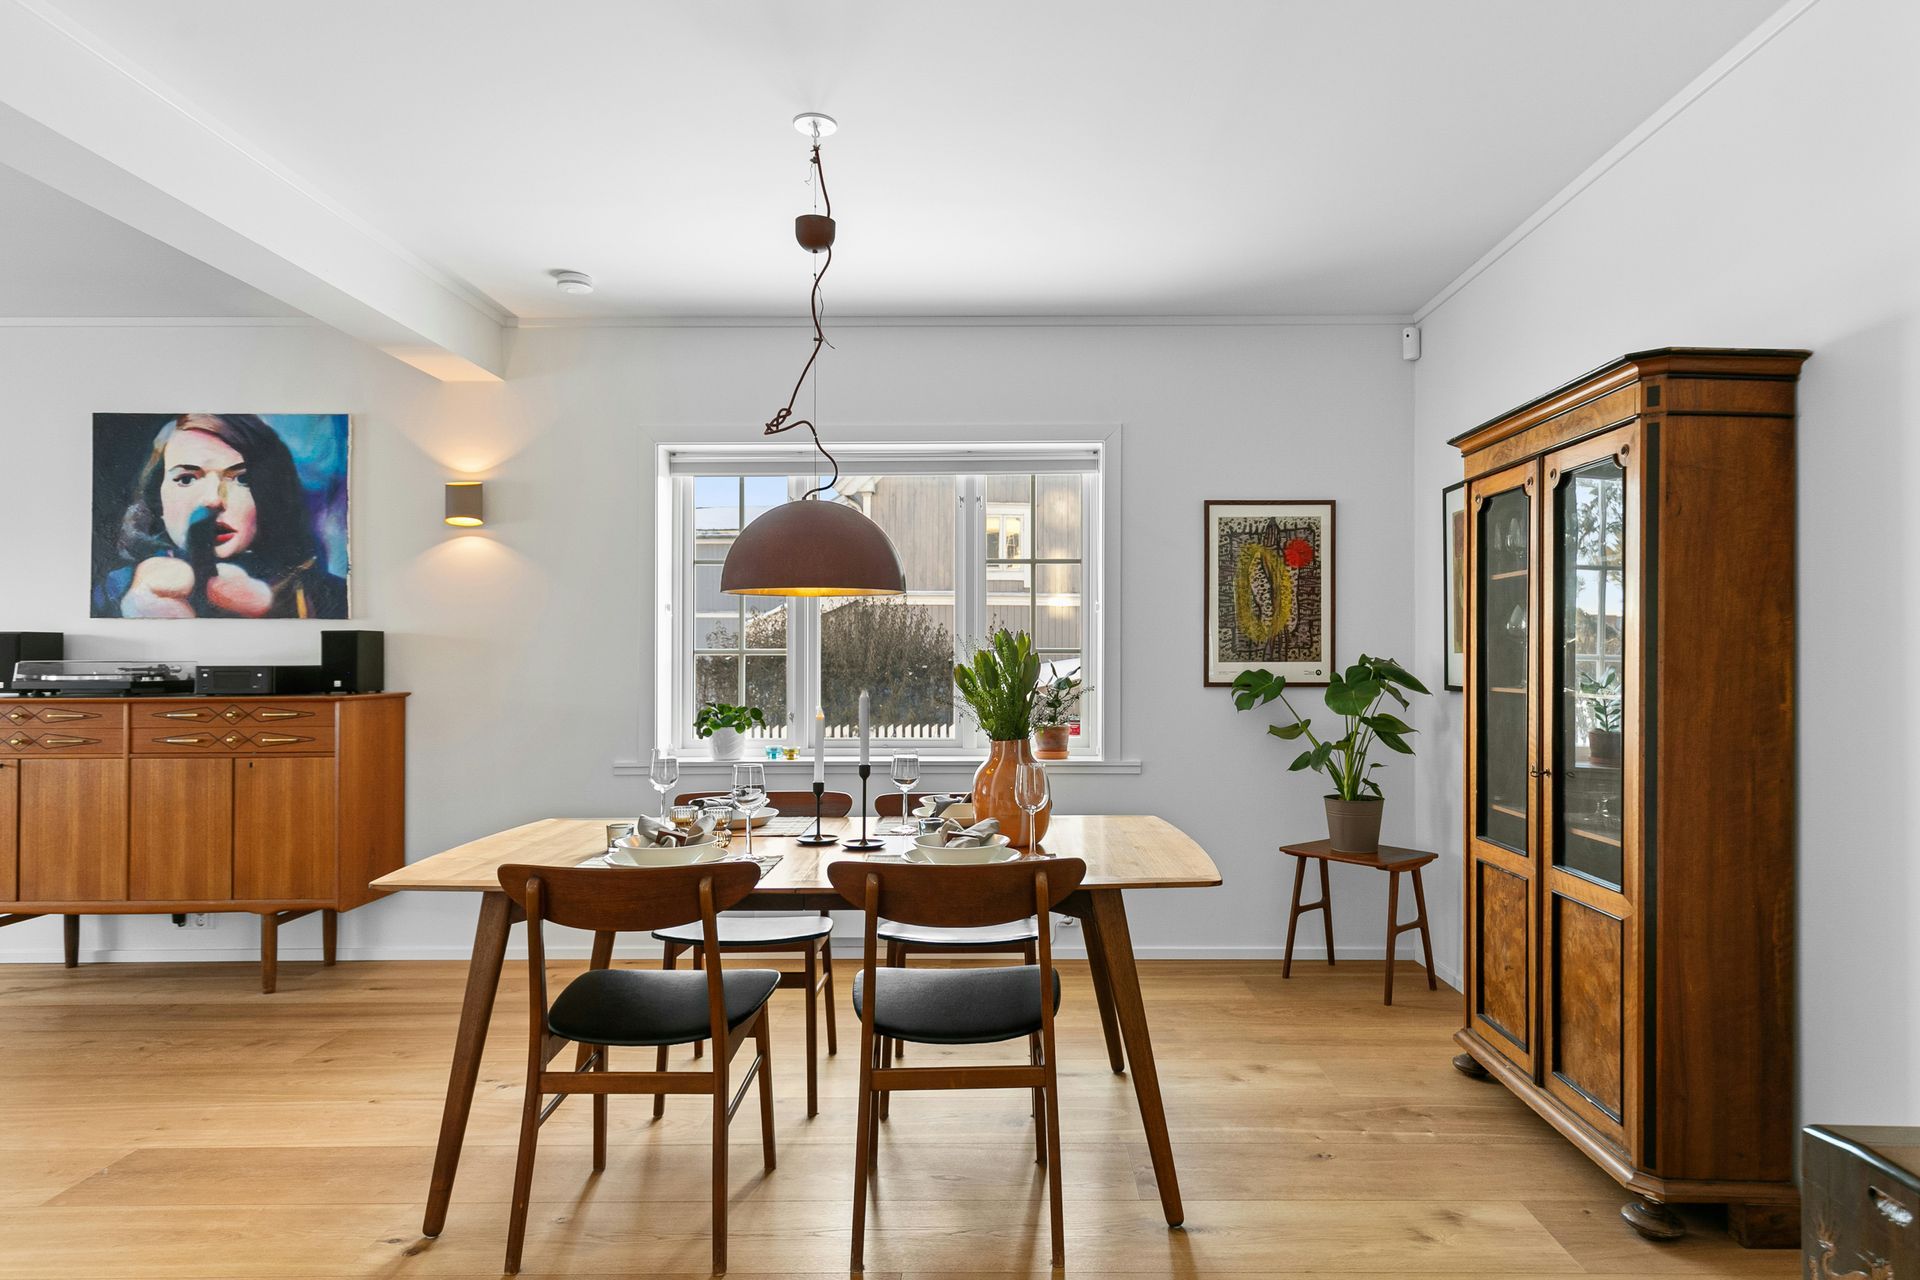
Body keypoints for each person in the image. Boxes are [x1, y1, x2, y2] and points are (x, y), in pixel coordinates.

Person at [94, 414, 347, 619]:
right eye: (186, 479)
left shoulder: (331, 596)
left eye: (242, 479)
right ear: (157, 499)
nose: (213, 499)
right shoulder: (110, 591)